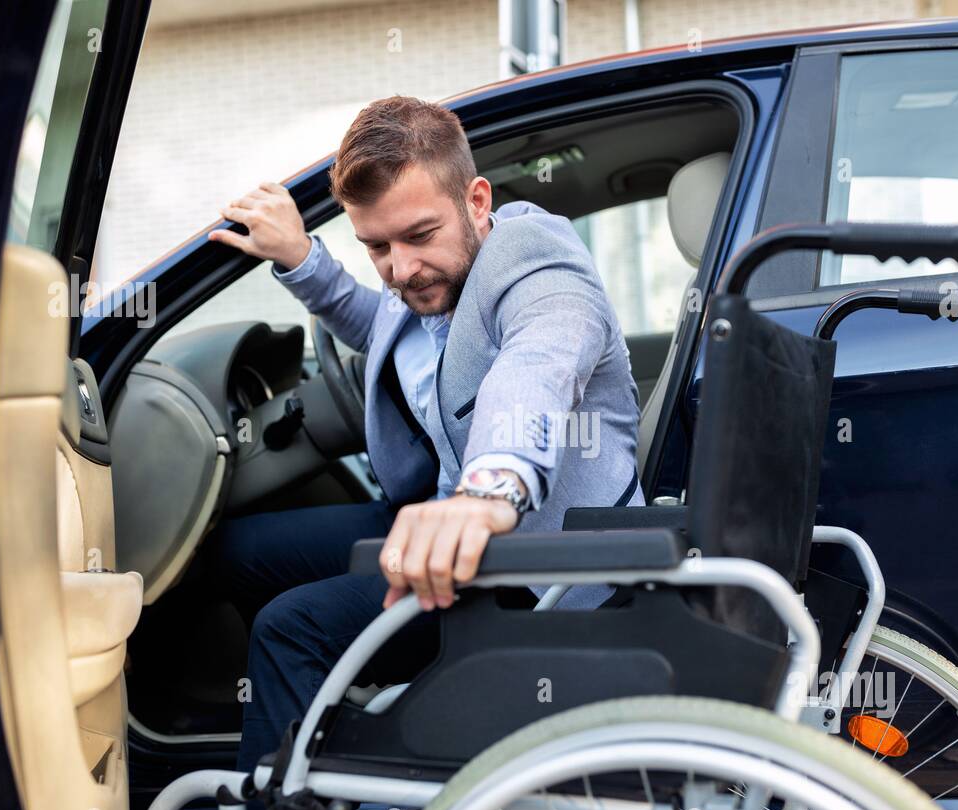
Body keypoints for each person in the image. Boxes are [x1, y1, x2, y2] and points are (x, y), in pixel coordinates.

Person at [206, 95, 644, 775]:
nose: (401, 268)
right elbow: (385, 325)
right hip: (429, 511)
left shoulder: (533, 256)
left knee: (288, 628)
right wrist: (302, 260)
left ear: (476, 200)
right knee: (227, 550)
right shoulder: (426, 285)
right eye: (376, 246)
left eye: (418, 235)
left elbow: (542, 358)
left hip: (528, 572)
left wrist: (490, 486)